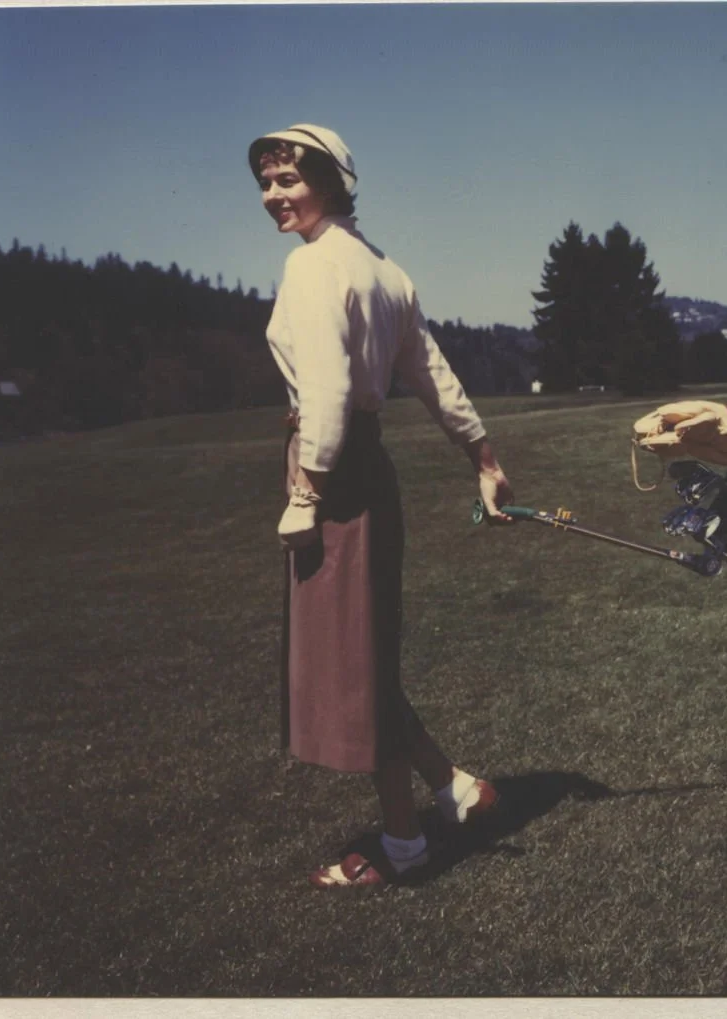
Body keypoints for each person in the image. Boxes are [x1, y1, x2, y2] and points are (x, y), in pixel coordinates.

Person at [248, 124, 515, 888]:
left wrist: (307, 489)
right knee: (369, 658)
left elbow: (328, 394)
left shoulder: (312, 268)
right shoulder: (385, 270)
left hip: (333, 476)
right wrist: (483, 456)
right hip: (369, 474)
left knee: (358, 669)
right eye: (266, 182)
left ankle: (404, 846)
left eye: (288, 179)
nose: (274, 195)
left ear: (330, 180)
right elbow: (435, 375)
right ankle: (456, 788)